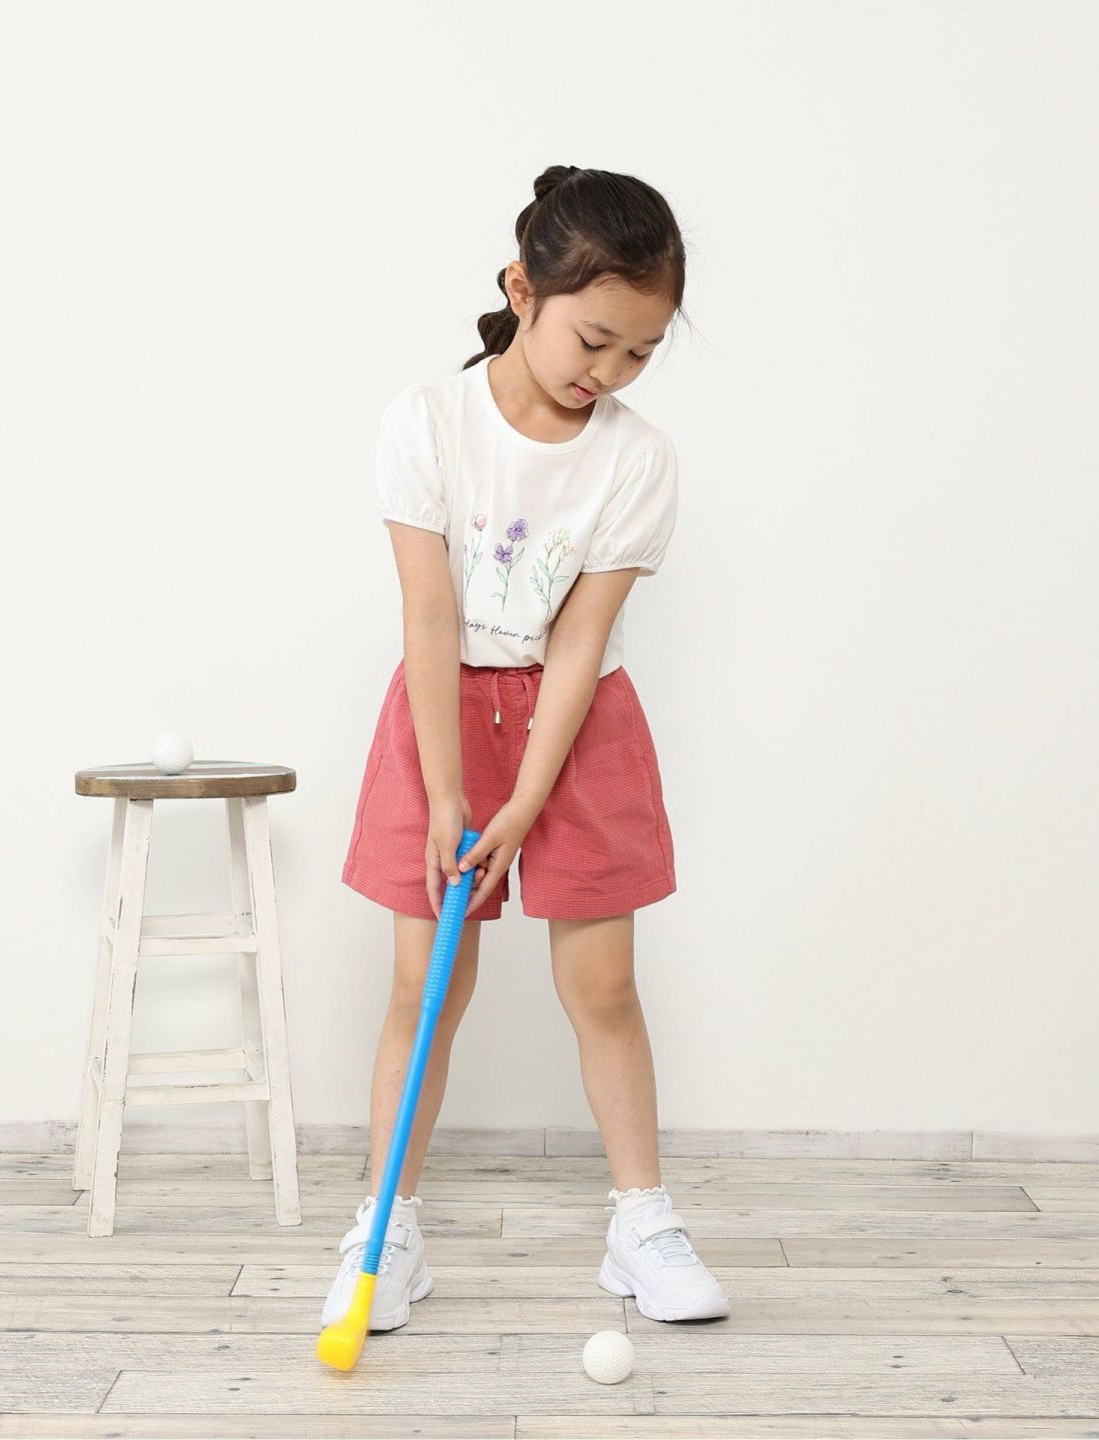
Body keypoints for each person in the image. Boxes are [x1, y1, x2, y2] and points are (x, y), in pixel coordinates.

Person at [322, 165, 730, 1331]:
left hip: (575, 724)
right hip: (441, 717)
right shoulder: (426, 423)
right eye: (595, 340)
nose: (610, 372)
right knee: (428, 985)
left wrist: (525, 802)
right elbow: (430, 617)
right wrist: (453, 792)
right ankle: (387, 1227)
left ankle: (641, 1223)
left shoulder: (638, 460)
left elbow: (580, 641)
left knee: (605, 987)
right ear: (522, 290)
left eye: (640, 353)